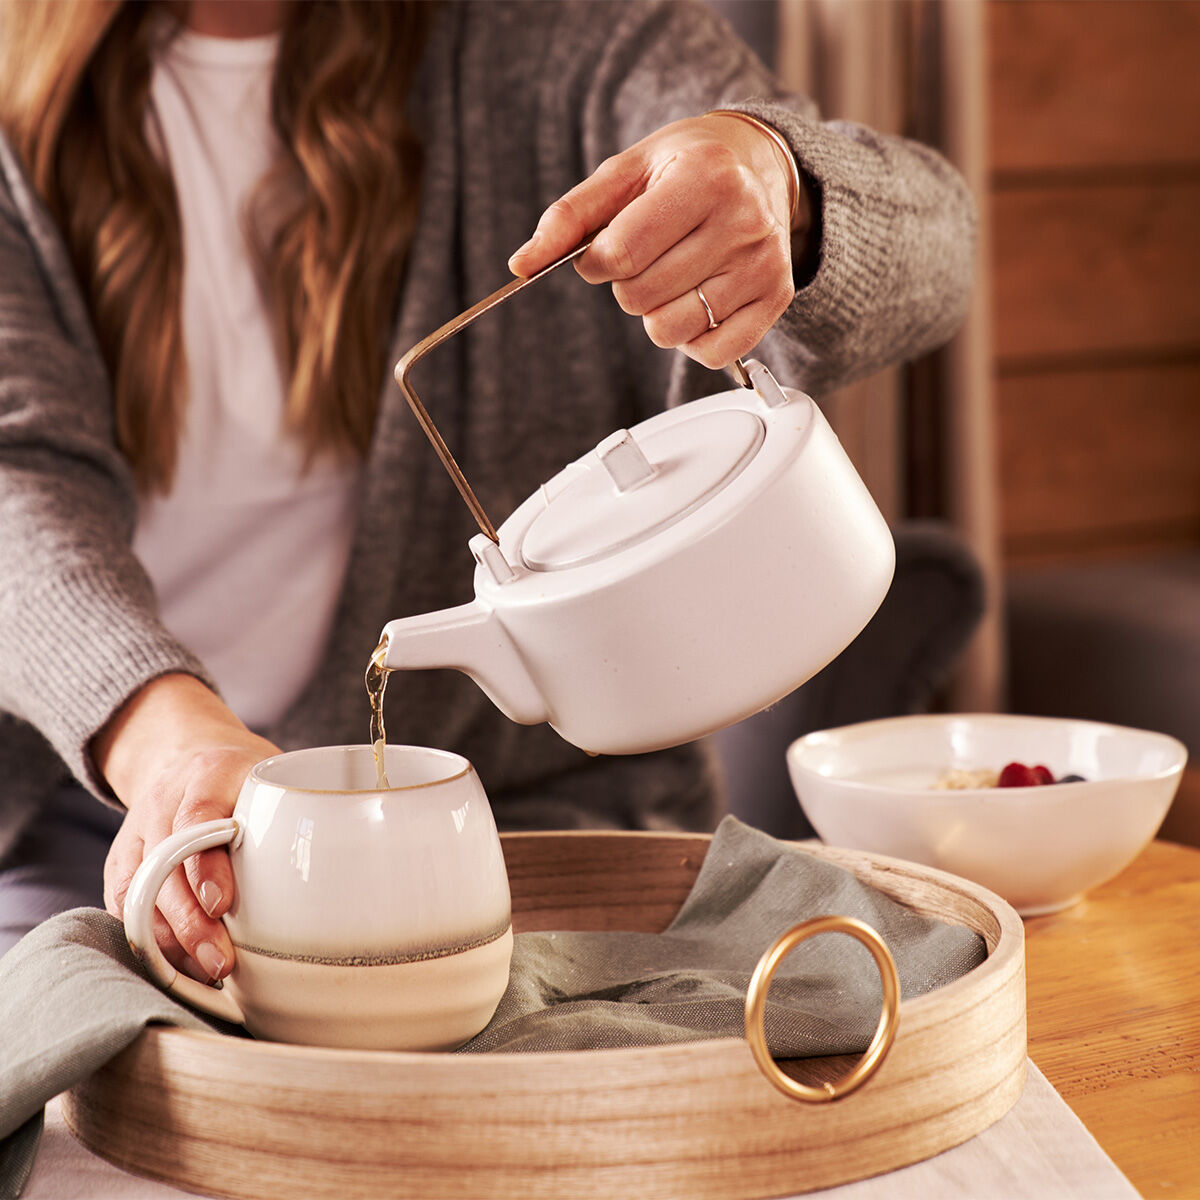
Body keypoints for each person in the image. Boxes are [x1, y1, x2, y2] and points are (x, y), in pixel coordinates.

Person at [0, 0, 974, 984]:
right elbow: (14, 482)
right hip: (107, 831)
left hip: (528, 825)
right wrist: (165, 744)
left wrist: (780, 184)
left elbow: (942, 248)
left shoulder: (565, 36)